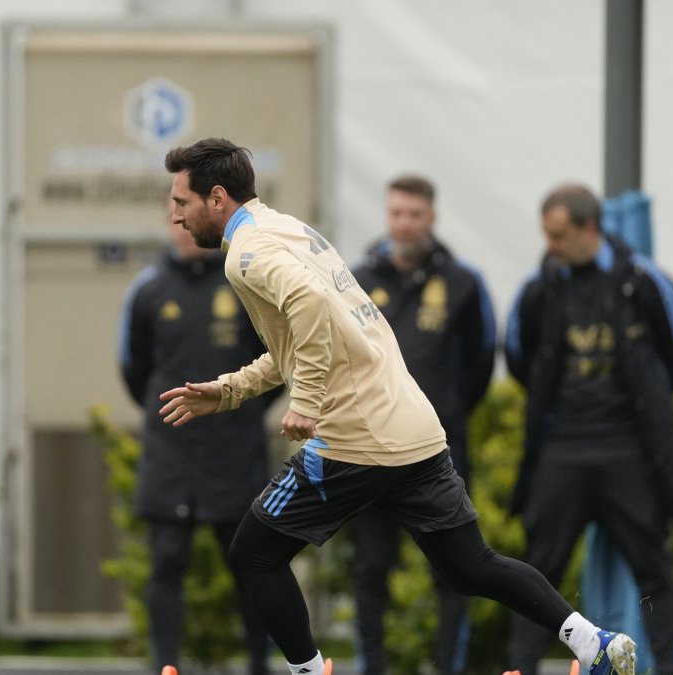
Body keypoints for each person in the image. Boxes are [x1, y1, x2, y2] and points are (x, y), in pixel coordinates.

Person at [156, 137, 637, 675]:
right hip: (412, 427)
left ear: (217, 198)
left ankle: (309, 673)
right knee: (471, 566)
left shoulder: (247, 254)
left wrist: (307, 402)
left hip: (354, 441)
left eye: (182, 202)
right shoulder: (289, 230)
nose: (175, 216)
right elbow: (302, 337)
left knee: (254, 554)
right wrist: (228, 390)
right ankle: (594, 643)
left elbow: (310, 308)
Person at [504, 183, 673, 675]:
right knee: (536, 572)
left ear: (590, 229)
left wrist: (646, 398)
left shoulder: (640, 278)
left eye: (558, 234)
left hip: (627, 450)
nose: (548, 245)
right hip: (562, 448)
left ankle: (669, 668)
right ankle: (519, 668)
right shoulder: (541, 286)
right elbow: (517, 353)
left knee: (654, 571)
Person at [347, 175, 495, 675]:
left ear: (432, 219)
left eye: (414, 214)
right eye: (396, 214)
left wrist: (443, 414)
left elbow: (479, 364)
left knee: (455, 571)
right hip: (369, 453)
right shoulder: (356, 279)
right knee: (370, 569)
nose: (404, 224)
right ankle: (373, 667)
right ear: (386, 217)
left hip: (437, 457)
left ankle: (446, 666)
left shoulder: (462, 282)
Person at [119, 202, 275, 675]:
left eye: (189, 221)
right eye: (174, 221)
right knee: (166, 559)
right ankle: (166, 666)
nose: (182, 231)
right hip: (171, 450)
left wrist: (236, 413)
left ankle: (259, 663)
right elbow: (134, 369)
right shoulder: (147, 289)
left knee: (250, 562)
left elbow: (277, 361)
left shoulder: (243, 279)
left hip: (235, 449)